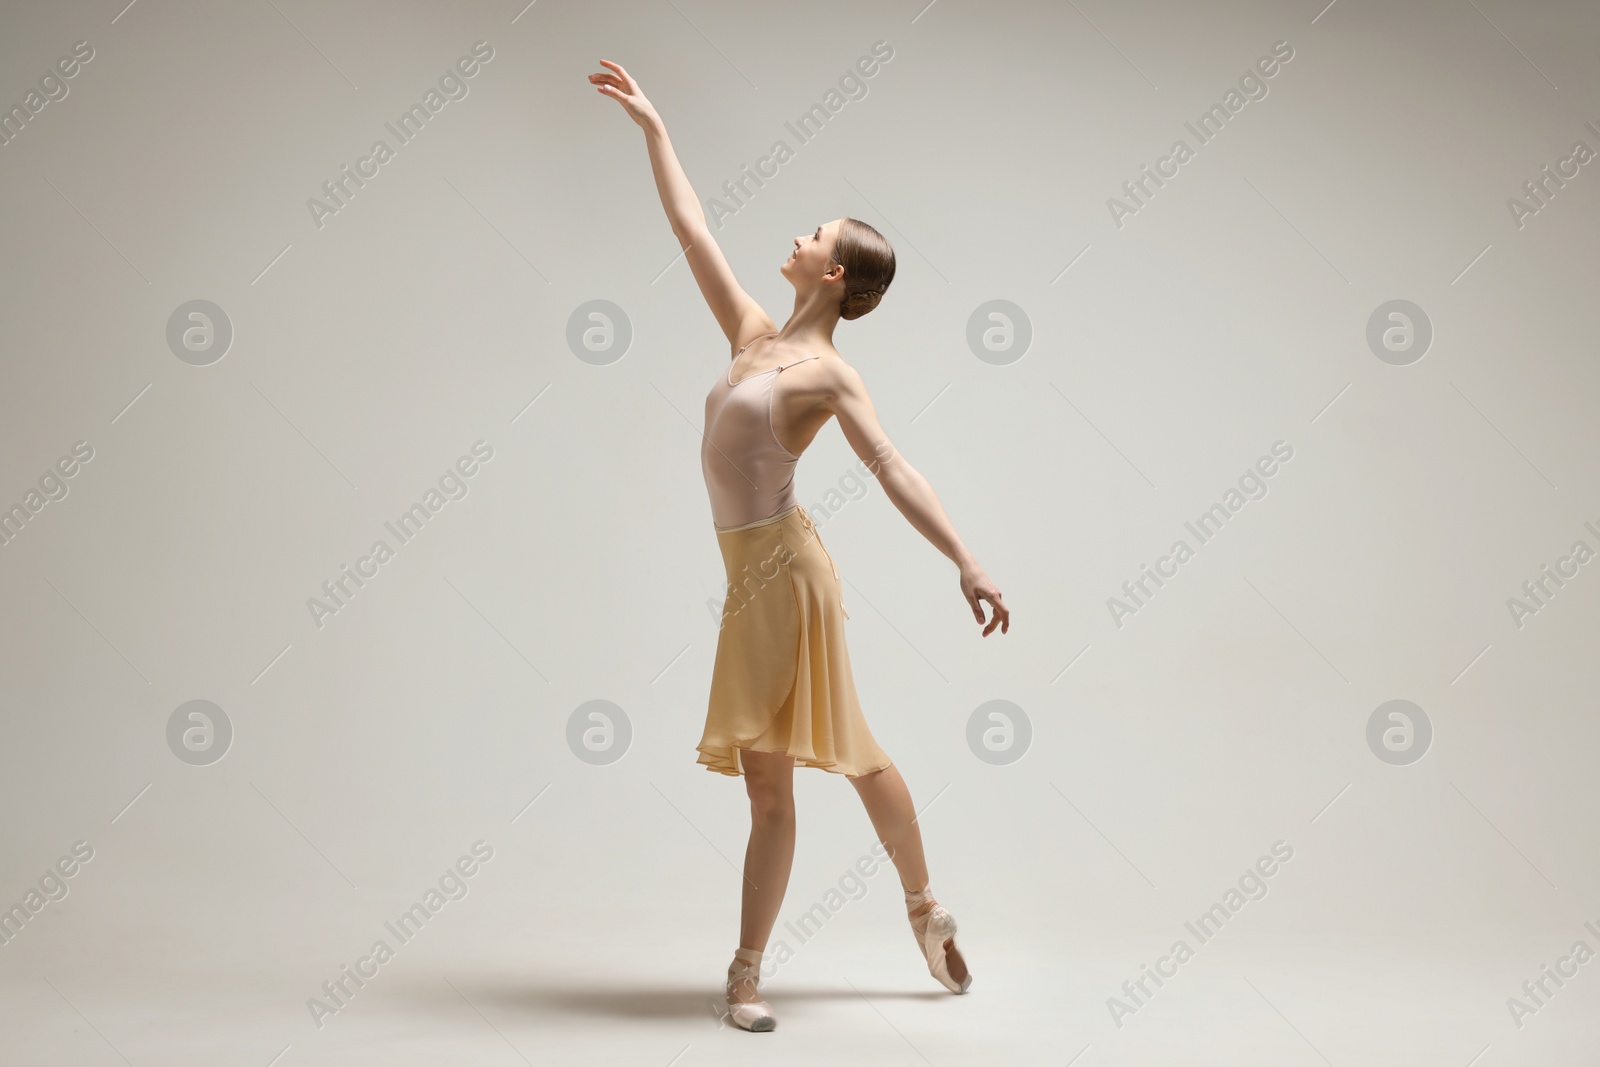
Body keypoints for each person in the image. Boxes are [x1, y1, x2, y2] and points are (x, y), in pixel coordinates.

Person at [590, 59, 1010, 1032]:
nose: (794, 234)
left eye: (811, 234)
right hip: (759, 576)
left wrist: (967, 558)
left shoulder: (826, 376)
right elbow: (690, 229)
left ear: (831, 275)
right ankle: (924, 907)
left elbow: (894, 467)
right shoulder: (750, 333)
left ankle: (745, 974)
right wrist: (655, 128)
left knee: (777, 780)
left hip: (783, 574)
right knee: (840, 752)